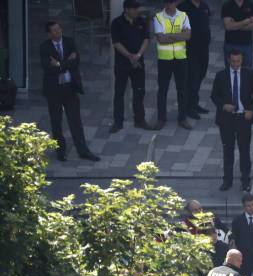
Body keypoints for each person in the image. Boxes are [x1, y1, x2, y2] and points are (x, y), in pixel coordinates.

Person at [40, 21, 100, 162]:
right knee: (56, 121)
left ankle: (83, 150)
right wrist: (65, 64)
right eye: (54, 31)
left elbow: (76, 62)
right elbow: (48, 68)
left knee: (75, 121)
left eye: (59, 29)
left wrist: (60, 64)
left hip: (69, 87)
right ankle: (60, 151)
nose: (58, 32)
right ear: (49, 34)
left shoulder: (69, 42)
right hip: (54, 90)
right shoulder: (45, 47)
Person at [211, 49, 253, 192]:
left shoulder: (249, 74)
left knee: (244, 150)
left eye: (238, 61)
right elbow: (214, 96)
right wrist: (223, 105)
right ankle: (227, 180)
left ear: (242, 60)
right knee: (228, 149)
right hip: (226, 119)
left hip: (243, 118)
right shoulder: (221, 75)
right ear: (229, 60)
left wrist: (251, 110)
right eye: (233, 61)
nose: (235, 64)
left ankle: (245, 180)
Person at [110, 0, 153, 134]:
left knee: (139, 91)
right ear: (126, 10)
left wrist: (138, 55)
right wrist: (130, 56)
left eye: (137, 8)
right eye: (134, 9)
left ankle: (140, 119)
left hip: (138, 63)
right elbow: (116, 43)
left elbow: (146, 39)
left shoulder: (141, 21)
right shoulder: (117, 23)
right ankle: (118, 121)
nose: (137, 11)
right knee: (119, 92)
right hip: (122, 64)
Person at [153, 0, 192, 131]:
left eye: (171, 2)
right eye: (167, 2)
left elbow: (187, 36)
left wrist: (169, 35)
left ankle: (183, 118)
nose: (169, 5)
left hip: (181, 58)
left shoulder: (183, 15)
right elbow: (161, 39)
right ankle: (161, 118)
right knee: (162, 90)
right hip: (165, 59)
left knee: (182, 89)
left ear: (175, 3)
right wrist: (179, 35)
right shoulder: (158, 17)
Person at [178, 0, 211, 120]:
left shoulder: (204, 6)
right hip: (190, 50)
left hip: (204, 49)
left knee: (200, 75)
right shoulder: (183, 8)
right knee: (192, 78)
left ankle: (194, 103)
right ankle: (188, 107)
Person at [221, 0, 253, 68]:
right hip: (230, 44)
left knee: (247, 72)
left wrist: (235, 24)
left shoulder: (251, 5)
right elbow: (228, 26)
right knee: (230, 72)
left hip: (246, 45)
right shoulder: (227, 6)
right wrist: (245, 22)